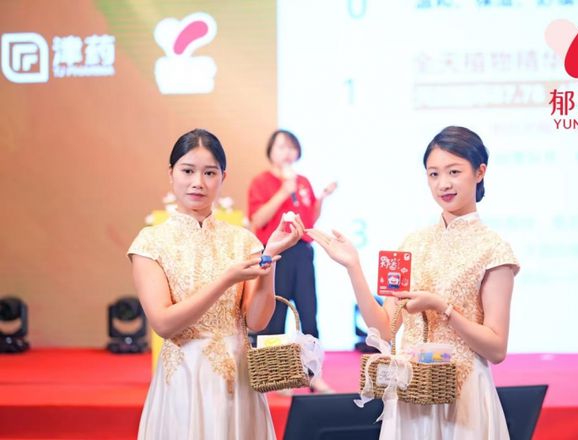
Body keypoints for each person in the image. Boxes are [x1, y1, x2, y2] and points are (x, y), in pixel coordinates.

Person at [308, 126, 519, 439]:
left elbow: (496, 348)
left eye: (454, 171)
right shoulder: (411, 244)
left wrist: (443, 308)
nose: (443, 183)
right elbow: (384, 329)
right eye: (433, 174)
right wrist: (353, 267)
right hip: (410, 394)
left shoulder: (494, 249)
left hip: (463, 400)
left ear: (480, 172)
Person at [128, 129, 304, 439]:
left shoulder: (243, 241)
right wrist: (225, 280)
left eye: (209, 173)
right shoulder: (150, 242)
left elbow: (257, 321)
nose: (198, 182)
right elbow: (163, 324)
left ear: (223, 177)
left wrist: (270, 257)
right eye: (188, 171)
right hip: (182, 379)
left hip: (237, 379)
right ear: (171, 173)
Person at [247, 129, 336, 393]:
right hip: (276, 254)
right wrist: (283, 191)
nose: (287, 152)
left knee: (309, 312)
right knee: (274, 314)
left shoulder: (303, 182)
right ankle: (275, 375)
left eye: (291, 147)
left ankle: (313, 374)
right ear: (270, 151)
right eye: (281, 147)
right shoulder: (261, 182)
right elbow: (257, 220)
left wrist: (321, 199)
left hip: (302, 252)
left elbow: (309, 220)